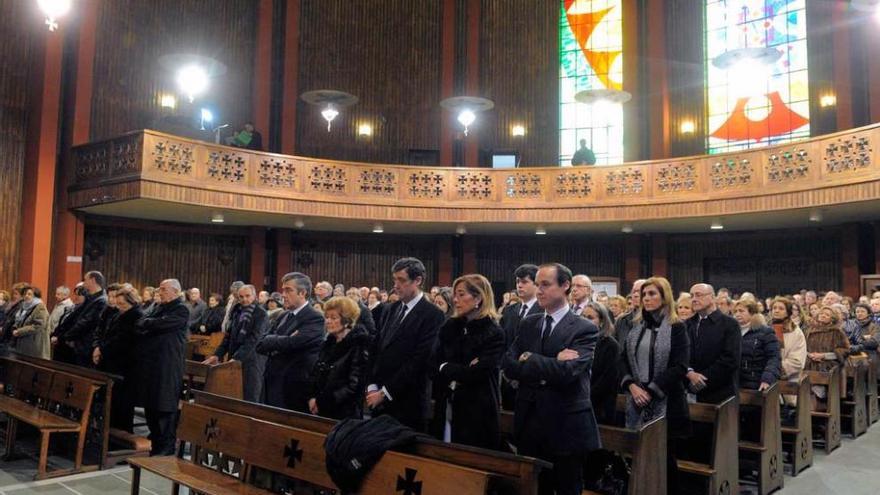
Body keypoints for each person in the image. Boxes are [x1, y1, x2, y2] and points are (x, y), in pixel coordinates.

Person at [502, 263, 600, 494]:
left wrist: (531, 358)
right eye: (537, 285)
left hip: (565, 423)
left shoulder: (584, 328)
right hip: (531, 421)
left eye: (545, 284)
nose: (539, 291)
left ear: (565, 285)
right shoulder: (529, 323)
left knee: (567, 487)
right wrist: (553, 359)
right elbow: (509, 364)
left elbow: (568, 373)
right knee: (536, 488)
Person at [619, 277, 690, 494]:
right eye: (644, 294)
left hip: (666, 402)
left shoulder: (677, 327)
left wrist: (650, 390)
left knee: (665, 459)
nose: (646, 298)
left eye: (652, 294)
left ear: (664, 296)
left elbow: (680, 367)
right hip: (637, 400)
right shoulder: (637, 326)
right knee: (639, 457)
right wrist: (631, 385)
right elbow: (622, 360)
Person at [367, 257, 445, 431]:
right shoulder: (390, 309)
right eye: (394, 279)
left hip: (408, 402)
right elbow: (377, 348)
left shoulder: (432, 314)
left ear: (418, 281)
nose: (395, 285)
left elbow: (420, 359)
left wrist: (385, 392)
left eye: (401, 280)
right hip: (378, 399)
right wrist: (372, 385)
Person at [430, 274, 505, 449]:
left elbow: (478, 374)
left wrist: (447, 366)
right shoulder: (450, 326)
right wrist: (453, 368)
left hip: (477, 409)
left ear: (478, 297)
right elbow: (433, 364)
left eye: (461, 294)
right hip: (447, 403)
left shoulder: (493, 332)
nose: (455, 300)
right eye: (455, 295)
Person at [133, 279, 190, 455]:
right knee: (151, 405)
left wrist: (149, 323)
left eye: (164, 289)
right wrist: (149, 323)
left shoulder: (181, 309)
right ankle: (156, 442)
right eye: (159, 289)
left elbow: (156, 324)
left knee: (164, 406)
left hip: (168, 365)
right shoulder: (158, 307)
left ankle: (166, 446)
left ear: (175, 291)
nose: (160, 291)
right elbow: (140, 322)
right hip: (152, 365)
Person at [256, 272, 325, 411]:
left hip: (292, 387)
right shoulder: (283, 315)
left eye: (289, 290)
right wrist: (284, 339)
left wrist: (274, 339)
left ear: (303, 293)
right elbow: (260, 344)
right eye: (283, 290)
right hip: (272, 382)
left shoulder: (314, 317)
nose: (283, 294)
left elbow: (294, 343)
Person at [308, 296, 370, 420]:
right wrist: (312, 397)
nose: (328, 321)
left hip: (344, 414)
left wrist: (324, 402)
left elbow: (355, 386)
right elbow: (315, 374)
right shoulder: (328, 343)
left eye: (334, 318)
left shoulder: (358, 344)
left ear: (347, 321)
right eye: (327, 317)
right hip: (320, 409)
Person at [205, 285, 269, 403]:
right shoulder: (237, 310)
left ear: (254, 296)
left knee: (250, 397)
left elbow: (254, 339)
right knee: (233, 394)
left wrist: (237, 358)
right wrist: (217, 355)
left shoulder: (261, 314)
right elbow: (228, 336)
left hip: (252, 360)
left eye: (247, 296)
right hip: (234, 358)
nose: (244, 299)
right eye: (241, 297)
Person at [93, 286, 142, 432]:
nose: (119, 307)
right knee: (112, 402)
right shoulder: (119, 314)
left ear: (132, 302)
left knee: (122, 403)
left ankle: (122, 433)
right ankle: (111, 431)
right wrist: (99, 347)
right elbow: (105, 333)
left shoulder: (135, 316)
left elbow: (122, 340)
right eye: (119, 304)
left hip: (124, 365)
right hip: (112, 361)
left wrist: (102, 349)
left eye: (123, 305)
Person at [685, 283, 741, 404]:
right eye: (692, 296)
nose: (694, 299)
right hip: (689, 389)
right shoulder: (686, 324)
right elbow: (679, 355)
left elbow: (730, 359)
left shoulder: (730, 324)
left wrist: (701, 380)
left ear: (712, 297)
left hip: (720, 392)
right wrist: (689, 374)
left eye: (698, 295)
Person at [499, 264, 542, 410]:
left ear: (536, 284)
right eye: (518, 282)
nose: (519, 286)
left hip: (531, 378)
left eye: (524, 282)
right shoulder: (510, 310)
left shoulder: (544, 311)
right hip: (508, 376)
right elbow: (503, 341)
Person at [582, 301, 620, 425]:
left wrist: (586, 396)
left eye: (590, 318)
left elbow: (607, 380)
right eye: (583, 316)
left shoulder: (610, 345)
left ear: (602, 321)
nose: (585, 320)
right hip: (579, 403)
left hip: (600, 406)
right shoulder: (578, 342)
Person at [805, 306, 850, 410]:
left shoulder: (837, 332)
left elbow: (845, 350)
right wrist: (809, 355)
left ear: (832, 319)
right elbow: (802, 346)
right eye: (821, 313)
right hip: (810, 362)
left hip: (829, 364)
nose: (823, 315)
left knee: (819, 387)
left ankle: (821, 405)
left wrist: (823, 356)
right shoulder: (810, 330)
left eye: (827, 314)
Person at [61, 271, 108, 367]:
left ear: (93, 280)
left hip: (86, 345)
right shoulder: (90, 298)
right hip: (79, 344)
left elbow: (86, 321)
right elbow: (76, 316)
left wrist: (67, 336)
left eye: (85, 280)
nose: (84, 282)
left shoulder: (101, 301)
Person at [734, 299, 781, 391]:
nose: (737, 314)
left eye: (741, 311)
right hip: (736, 382)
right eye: (735, 311)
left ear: (752, 313)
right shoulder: (732, 332)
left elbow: (774, 357)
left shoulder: (765, 332)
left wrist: (767, 379)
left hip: (756, 383)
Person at [11, 286, 50, 359]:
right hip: (23, 341)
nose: (26, 296)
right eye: (25, 294)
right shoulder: (25, 306)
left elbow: (38, 325)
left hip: (34, 343)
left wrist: (19, 331)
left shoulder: (40, 307)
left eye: (29, 294)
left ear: (36, 296)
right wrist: (15, 327)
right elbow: (20, 320)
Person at [51, 283, 86, 363]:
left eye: (79, 295)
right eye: (76, 294)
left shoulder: (83, 310)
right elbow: (63, 323)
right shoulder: (72, 307)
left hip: (70, 344)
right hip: (60, 341)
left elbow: (74, 327)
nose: (76, 297)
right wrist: (55, 335)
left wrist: (59, 337)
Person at [614, 279, 645, 347]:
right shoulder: (621, 320)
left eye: (639, 292)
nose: (635, 295)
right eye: (633, 292)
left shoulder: (654, 320)